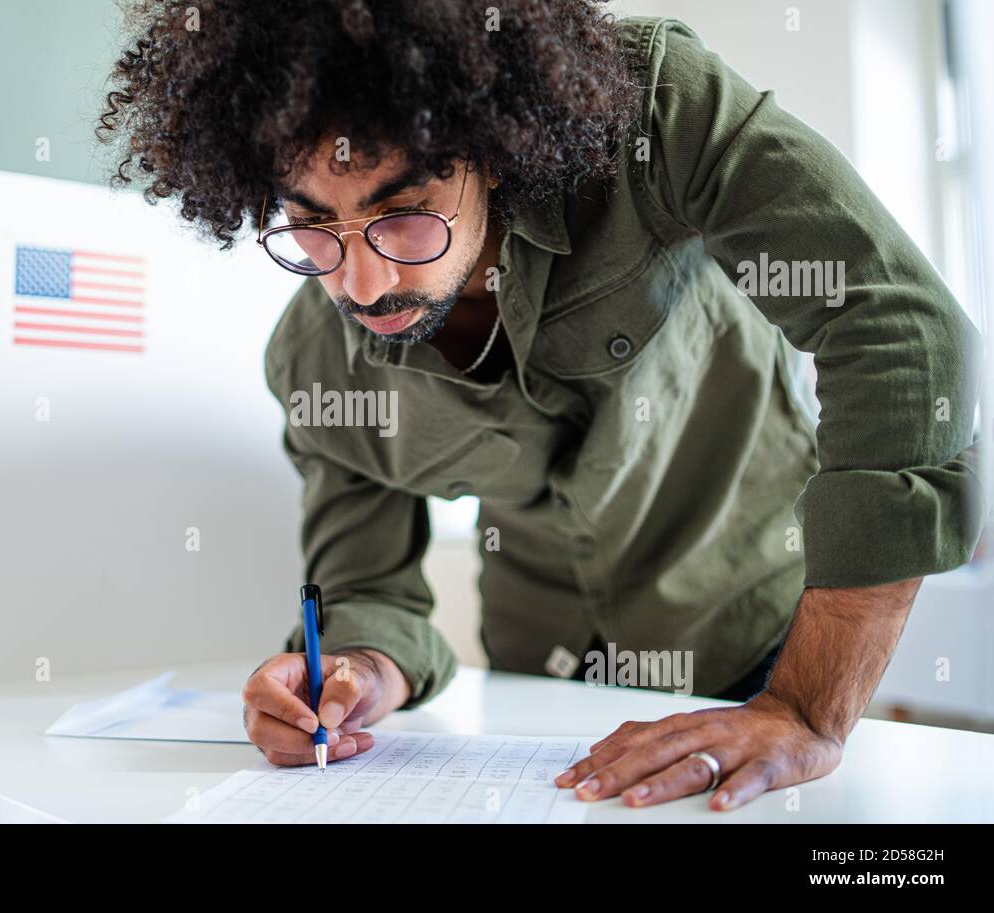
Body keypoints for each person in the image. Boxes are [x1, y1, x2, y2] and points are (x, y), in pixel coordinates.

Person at [96, 1, 984, 810]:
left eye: (404, 212)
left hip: (764, 641)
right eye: (312, 224)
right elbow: (368, 587)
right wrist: (358, 672)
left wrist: (804, 705)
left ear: (492, 148)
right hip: (547, 686)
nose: (363, 284)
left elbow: (904, 329)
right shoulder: (314, 361)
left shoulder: (651, 114)